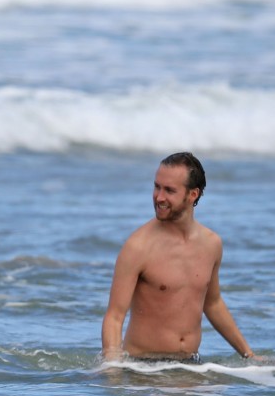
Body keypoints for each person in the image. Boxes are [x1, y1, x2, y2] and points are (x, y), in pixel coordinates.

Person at [101, 152, 259, 362]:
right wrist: (112, 369)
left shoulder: (211, 244)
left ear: (192, 194)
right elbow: (114, 316)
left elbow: (212, 304)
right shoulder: (138, 247)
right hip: (143, 371)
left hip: (190, 366)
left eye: (169, 190)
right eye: (157, 187)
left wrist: (249, 355)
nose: (159, 197)